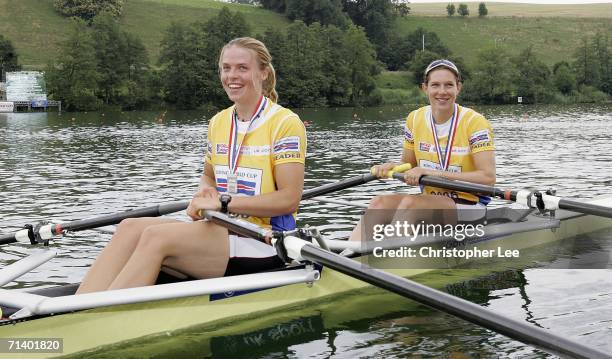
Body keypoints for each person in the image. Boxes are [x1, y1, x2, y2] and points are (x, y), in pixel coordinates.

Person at [77, 37, 307, 293]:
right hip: (221, 229)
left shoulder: (285, 123)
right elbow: (208, 176)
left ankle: (100, 320)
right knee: (129, 227)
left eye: (243, 68)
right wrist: (206, 192)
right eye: (226, 68)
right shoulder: (218, 123)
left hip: (265, 239)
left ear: (263, 73)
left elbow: (289, 199)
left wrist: (222, 203)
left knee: (156, 237)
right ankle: (75, 309)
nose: (232, 75)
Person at [349, 59, 495, 242]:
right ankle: (345, 257)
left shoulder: (475, 122)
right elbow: (408, 165)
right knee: (379, 203)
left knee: (411, 204)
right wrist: (392, 167)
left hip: (469, 204)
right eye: (435, 85)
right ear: (425, 88)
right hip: (430, 201)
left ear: (458, 88)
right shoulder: (414, 118)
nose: (442, 91)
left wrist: (431, 172)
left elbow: (488, 178)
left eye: (449, 85)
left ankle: (390, 262)